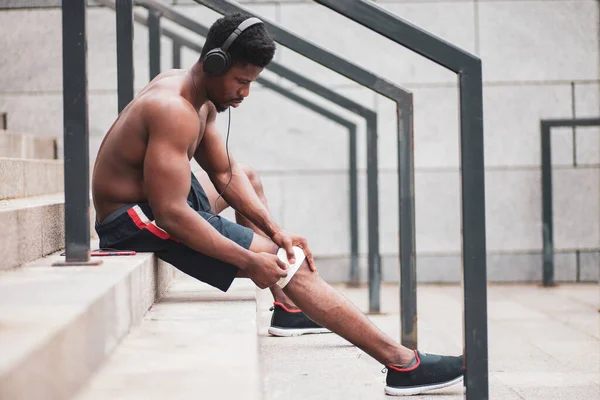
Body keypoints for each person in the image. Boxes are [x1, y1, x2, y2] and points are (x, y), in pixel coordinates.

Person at [91, 13, 464, 396]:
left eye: (251, 83)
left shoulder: (195, 96)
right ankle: (403, 364)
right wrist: (250, 260)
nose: (244, 94)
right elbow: (171, 215)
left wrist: (275, 230)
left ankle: (287, 308)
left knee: (248, 177)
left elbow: (225, 175)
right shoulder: (173, 111)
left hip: (160, 202)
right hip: (133, 220)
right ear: (214, 62)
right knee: (290, 265)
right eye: (241, 81)